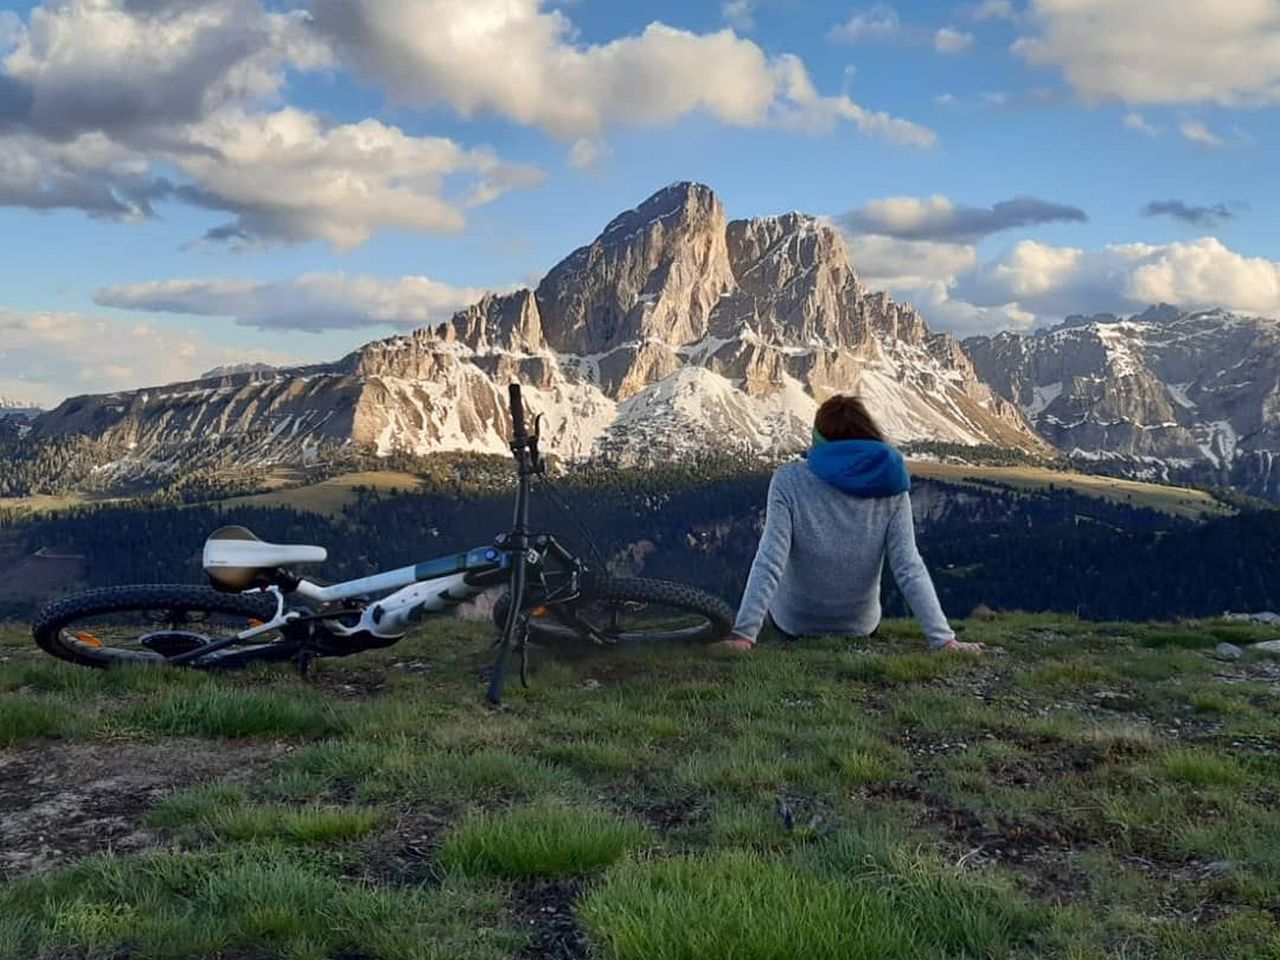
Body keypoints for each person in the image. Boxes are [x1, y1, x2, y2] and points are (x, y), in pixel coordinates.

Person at [723, 394, 984, 653]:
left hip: (793, 624)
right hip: (859, 627)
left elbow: (770, 560)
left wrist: (744, 634)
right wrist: (944, 640)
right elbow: (908, 567)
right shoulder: (892, 485)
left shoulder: (788, 480)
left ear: (819, 438)